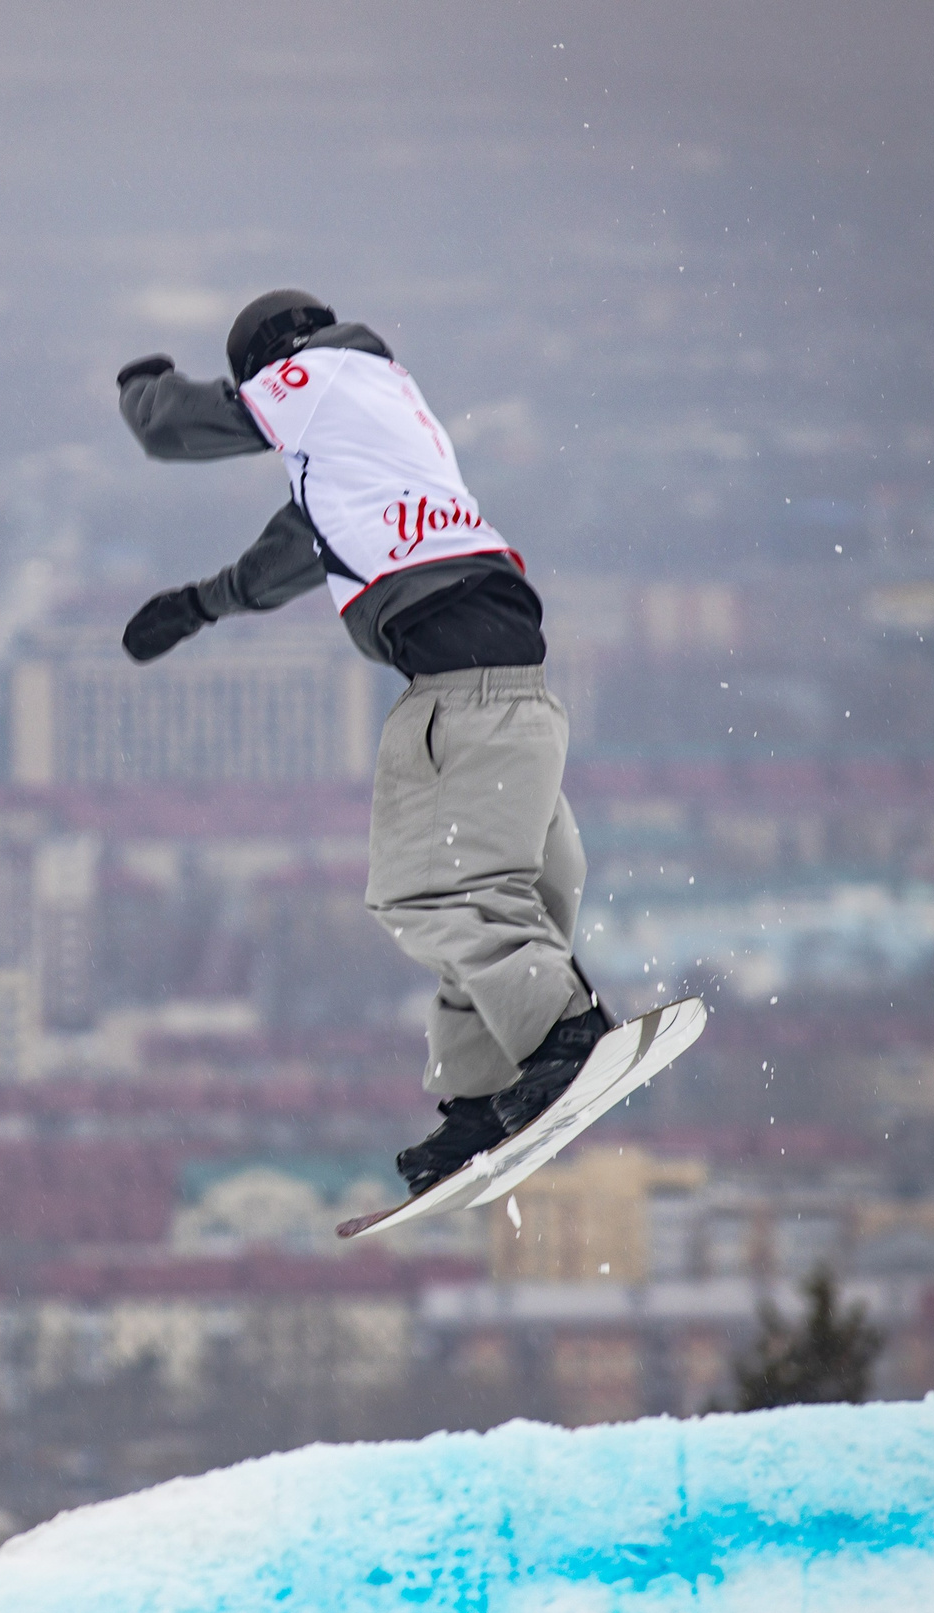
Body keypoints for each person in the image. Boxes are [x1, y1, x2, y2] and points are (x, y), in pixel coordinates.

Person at [114, 288, 612, 1195]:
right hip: (512, 695)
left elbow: (177, 429)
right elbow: (297, 549)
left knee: (426, 890)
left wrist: (143, 389)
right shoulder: (372, 431)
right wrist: (198, 606)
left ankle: (563, 1034)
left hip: (461, 693)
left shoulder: (326, 373)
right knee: (485, 897)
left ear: (268, 365)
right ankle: (484, 1097)